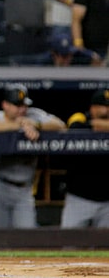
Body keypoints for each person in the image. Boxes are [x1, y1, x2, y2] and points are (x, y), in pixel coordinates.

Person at [0, 84, 65, 229]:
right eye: (17, 105)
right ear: (5, 105)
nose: (22, 109)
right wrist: (20, 126)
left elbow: (61, 126)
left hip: (24, 189)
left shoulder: (33, 115)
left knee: (26, 236)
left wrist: (35, 124)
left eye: (24, 105)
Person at [61, 89, 109, 228]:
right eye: (103, 106)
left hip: (107, 202)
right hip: (79, 198)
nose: (106, 110)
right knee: (70, 244)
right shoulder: (80, 117)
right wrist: (98, 125)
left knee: (105, 247)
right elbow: (74, 128)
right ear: (92, 108)